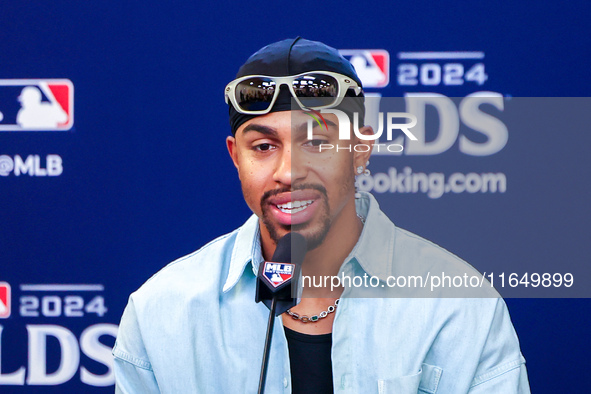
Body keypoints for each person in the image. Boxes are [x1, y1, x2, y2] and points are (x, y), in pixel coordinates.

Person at [113, 37, 530, 393]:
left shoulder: (458, 305)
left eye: (316, 141)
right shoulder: (161, 313)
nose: (289, 171)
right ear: (234, 157)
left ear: (361, 149)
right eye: (263, 146)